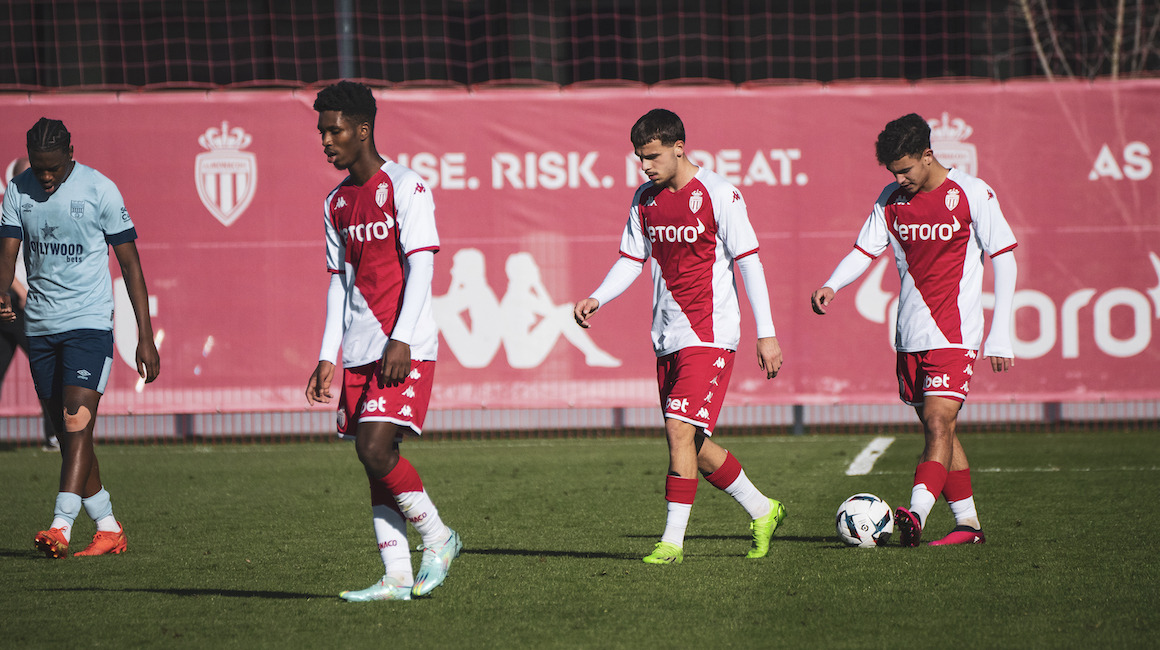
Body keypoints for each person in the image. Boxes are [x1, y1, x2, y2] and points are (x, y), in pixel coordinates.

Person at [574, 108, 787, 565]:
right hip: (668, 334)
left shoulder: (720, 194)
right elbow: (633, 259)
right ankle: (762, 508)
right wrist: (598, 297)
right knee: (690, 441)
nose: (645, 166)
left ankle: (672, 543)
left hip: (710, 334)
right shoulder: (644, 200)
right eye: (639, 158)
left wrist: (766, 334)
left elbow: (749, 262)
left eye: (652, 156)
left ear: (678, 146)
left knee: (677, 432)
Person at [810, 113, 1018, 546]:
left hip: (957, 334)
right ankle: (968, 525)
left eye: (905, 169)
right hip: (911, 335)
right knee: (938, 429)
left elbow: (1005, 258)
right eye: (893, 171)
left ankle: (916, 514)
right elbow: (864, 251)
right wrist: (833, 283)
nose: (899, 178)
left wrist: (1002, 332)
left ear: (928, 155)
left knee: (940, 421)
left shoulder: (972, 192)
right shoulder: (890, 200)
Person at [305, 81, 461, 601]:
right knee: (374, 457)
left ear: (363, 129)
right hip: (358, 348)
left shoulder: (407, 186)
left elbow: (422, 266)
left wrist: (401, 339)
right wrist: (328, 354)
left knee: (375, 449)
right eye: (322, 131)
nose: (327, 140)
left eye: (335, 130)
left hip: (404, 346)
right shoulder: (335, 202)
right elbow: (338, 281)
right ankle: (395, 577)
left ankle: (439, 539)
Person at [0, 118, 161, 559]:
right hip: (41, 328)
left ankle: (60, 526)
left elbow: (131, 267)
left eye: (52, 167)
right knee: (71, 435)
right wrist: (1, 292)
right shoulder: (18, 191)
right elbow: (8, 249)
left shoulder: (100, 190)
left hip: (89, 324)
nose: (45, 176)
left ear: (71, 153)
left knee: (76, 422)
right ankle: (109, 527)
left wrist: (144, 338)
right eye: (39, 167)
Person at [0, 157, 59, 451]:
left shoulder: (45, 211)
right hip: (18, 305)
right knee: (48, 368)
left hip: (26, 303)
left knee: (47, 369)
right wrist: (22, 294)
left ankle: (54, 435)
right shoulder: (9, 211)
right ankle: (55, 436)